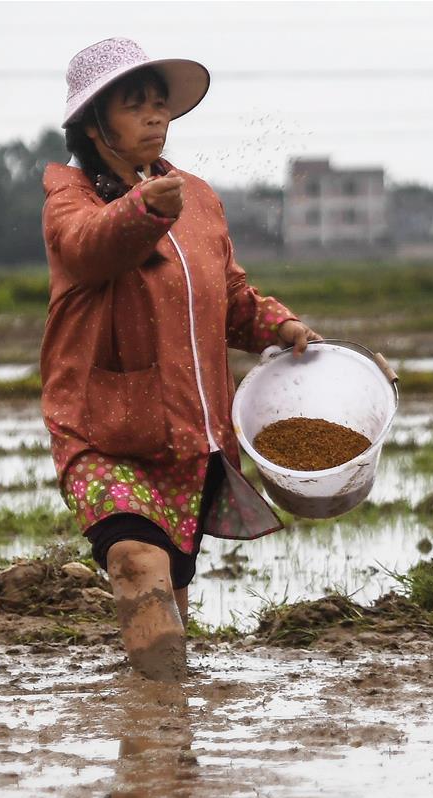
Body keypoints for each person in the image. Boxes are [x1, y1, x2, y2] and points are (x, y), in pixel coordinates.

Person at [40, 37, 322, 683]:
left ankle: (162, 742)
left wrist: (277, 323)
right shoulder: (71, 197)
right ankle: (160, 721)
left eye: (159, 103)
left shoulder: (195, 197)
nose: (153, 115)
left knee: (171, 599)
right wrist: (143, 208)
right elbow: (88, 247)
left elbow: (227, 296)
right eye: (133, 104)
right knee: (137, 561)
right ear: (92, 121)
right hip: (102, 429)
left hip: (188, 439)